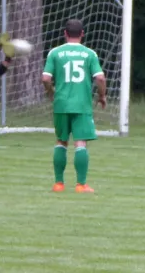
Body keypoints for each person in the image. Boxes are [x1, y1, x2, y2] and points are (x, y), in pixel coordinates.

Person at [42, 19, 106, 193]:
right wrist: (102, 96)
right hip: (82, 104)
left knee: (61, 141)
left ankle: (58, 184)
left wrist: (50, 91)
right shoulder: (89, 54)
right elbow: (100, 78)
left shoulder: (55, 52)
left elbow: (46, 78)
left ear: (65, 34)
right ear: (82, 34)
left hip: (61, 104)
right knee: (80, 143)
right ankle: (81, 185)